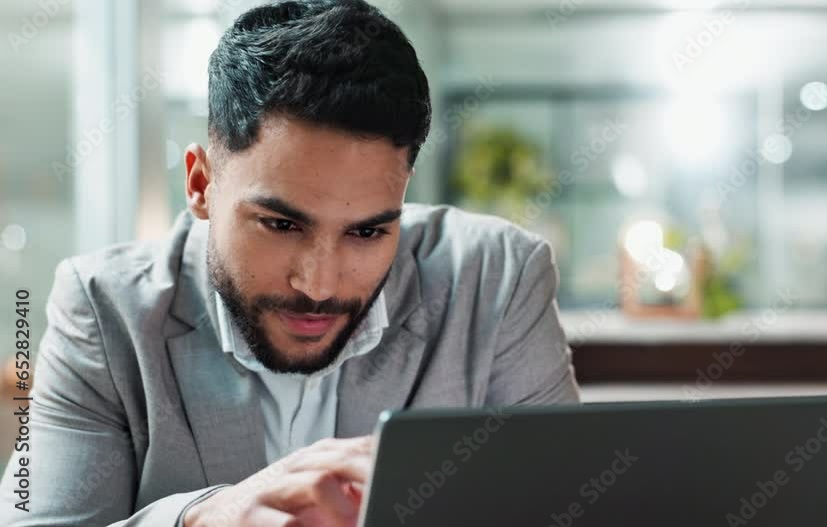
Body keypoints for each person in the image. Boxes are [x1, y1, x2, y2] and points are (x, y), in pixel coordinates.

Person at [0, 1, 579, 525]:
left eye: (368, 231)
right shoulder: (101, 308)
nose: (320, 285)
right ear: (201, 184)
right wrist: (202, 519)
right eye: (281, 224)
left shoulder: (498, 279)